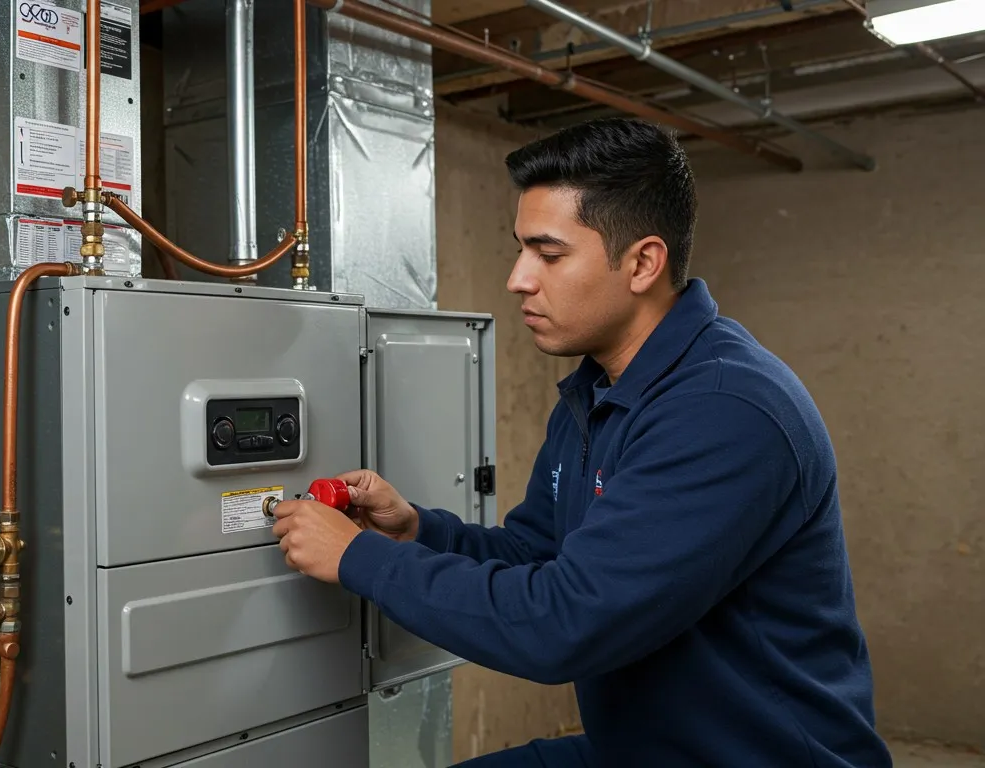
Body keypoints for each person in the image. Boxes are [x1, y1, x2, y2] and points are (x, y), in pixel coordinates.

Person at [269, 117, 892, 767]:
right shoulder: (596, 395)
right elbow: (536, 553)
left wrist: (359, 559)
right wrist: (416, 532)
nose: (518, 278)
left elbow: (564, 625)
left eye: (549, 253)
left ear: (643, 262)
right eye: (520, 250)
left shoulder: (724, 411)